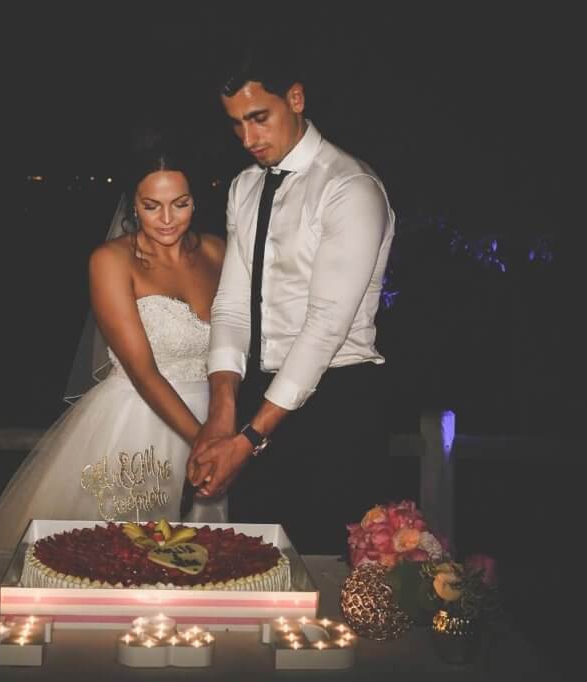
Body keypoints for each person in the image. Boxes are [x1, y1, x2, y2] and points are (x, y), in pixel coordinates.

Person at [187, 49, 396, 555]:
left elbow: (325, 327)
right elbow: (232, 303)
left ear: (296, 99)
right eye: (236, 124)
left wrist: (247, 441)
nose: (248, 139)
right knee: (257, 569)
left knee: (327, 577)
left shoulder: (350, 187)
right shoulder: (245, 186)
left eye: (259, 118)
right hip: (260, 395)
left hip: (336, 401)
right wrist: (222, 411)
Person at [0, 146, 228, 551]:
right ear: (133, 205)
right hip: (139, 424)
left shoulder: (218, 251)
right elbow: (142, 371)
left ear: (196, 200)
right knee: (121, 559)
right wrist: (210, 447)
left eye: (180, 204)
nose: (166, 219)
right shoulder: (111, 260)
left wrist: (223, 433)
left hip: (215, 418)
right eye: (151, 206)